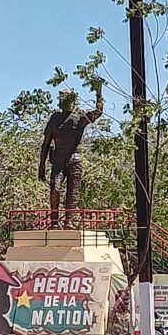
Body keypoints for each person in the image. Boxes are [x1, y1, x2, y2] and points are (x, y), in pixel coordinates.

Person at [38, 86, 103, 229]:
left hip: (75, 159)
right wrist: (41, 165)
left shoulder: (79, 117)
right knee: (55, 189)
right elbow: (46, 142)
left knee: (72, 193)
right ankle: (54, 222)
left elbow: (98, 112)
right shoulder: (55, 119)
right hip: (58, 160)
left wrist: (99, 94)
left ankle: (69, 221)